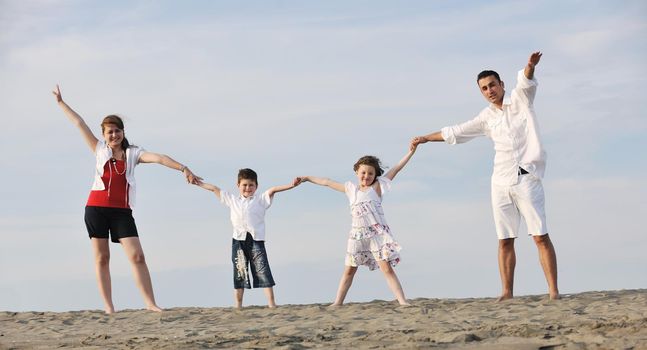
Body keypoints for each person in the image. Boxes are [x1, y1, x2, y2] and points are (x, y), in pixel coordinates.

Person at [411, 51, 559, 301]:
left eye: (492, 85)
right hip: (500, 182)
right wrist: (426, 138)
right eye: (484, 88)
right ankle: (506, 292)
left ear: (502, 85)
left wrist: (530, 66)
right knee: (505, 240)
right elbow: (457, 132)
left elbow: (526, 80)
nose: (489, 90)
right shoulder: (486, 117)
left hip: (527, 178)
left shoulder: (521, 99)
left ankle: (553, 291)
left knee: (540, 236)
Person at [53, 85, 201, 314]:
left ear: (123, 132)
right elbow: (79, 123)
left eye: (117, 130)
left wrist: (183, 168)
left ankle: (151, 303)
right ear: (104, 135)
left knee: (137, 256)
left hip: (122, 211)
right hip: (96, 209)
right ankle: (109, 307)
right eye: (109, 132)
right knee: (102, 258)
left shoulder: (134, 153)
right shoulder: (99, 149)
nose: (114, 135)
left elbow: (160, 158)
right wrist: (62, 103)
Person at [296, 144, 417, 306]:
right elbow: (326, 182)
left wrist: (411, 151)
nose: (366, 176)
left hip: (377, 235)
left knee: (387, 269)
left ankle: (402, 301)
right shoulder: (350, 189)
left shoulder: (377, 187)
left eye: (370, 173)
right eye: (363, 172)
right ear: (357, 173)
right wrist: (307, 178)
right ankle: (337, 302)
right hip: (357, 236)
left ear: (375, 175)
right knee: (349, 270)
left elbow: (396, 168)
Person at [194, 168, 300, 308]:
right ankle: (238, 305)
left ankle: (272, 303)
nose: (248, 188)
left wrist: (291, 185)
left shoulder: (261, 200)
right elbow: (214, 189)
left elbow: (274, 189)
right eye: (244, 185)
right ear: (238, 185)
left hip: (256, 240)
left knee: (263, 270)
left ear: (256, 186)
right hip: (238, 241)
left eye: (251, 185)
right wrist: (198, 183)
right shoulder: (232, 200)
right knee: (240, 272)